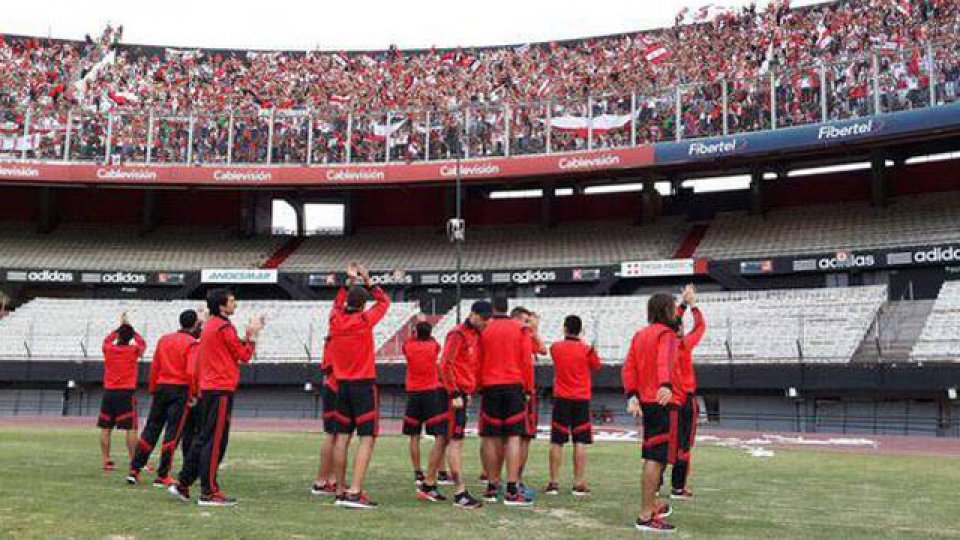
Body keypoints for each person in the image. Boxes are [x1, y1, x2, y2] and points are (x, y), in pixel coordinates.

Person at [169, 289, 263, 507]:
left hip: (209, 388)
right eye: (231, 301)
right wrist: (253, 334)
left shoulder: (210, 326)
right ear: (221, 306)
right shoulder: (223, 327)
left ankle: (184, 483)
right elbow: (245, 356)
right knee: (215, 441)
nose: (235, 304)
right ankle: (208, 491)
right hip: (220, 389)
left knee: (203, 439)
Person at [328, 263, 391, 509]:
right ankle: (355, 491)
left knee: (342, 437)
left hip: (342, 385)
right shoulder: (364, 320)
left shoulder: (335, 319)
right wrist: (368, 278)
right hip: (363, 385)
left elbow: (336, 304)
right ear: (363, 305)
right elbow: (384, 302)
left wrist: (349, 281)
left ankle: (341, 490)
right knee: (367, 438)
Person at [623, 292, 682, 533]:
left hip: (647, 400)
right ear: (666, 310)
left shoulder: (640, 334)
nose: (675, 311)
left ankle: (651, 506)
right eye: (674, 308)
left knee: (654, 456)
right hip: (662, 400)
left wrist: (631, 395)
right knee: (655, 458)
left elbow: (629, 366)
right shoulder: (665, 334)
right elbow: (663, 361)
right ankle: (646, 515)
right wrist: (666, 385)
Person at [126, 309, 201, 487]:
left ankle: (134, 470)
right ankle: (163, 474)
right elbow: (191, 372)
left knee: (150, 430)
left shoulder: (164, 339)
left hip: (161, 387)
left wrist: (153, 388)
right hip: (180, 390)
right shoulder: (192, 343)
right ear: (194, 325)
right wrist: (194, 393)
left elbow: (156, 366)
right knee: (172, 434)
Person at [477, 294, 534, 506]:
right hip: (513, 386)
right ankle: (512, 488)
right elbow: (526, 361)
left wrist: (478, 386)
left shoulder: (485, 330)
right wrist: (528, 388)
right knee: (513, 436)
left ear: (492, 309)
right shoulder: (520, 330)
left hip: (490, 385)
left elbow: (478, 360)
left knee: (491, 437)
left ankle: (492, 486)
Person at [545, 315, 602, 496]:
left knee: (557, 441)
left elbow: (555, 355)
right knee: (580, 441)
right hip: (581, 399)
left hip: (561, 398)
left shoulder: (555, 348)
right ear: (580, 330)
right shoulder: (587, 350)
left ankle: (554, 482)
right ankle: (578, 483)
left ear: (565, 328)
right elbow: (597, 366)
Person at [311, 282, 352, 498]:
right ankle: (333, 481)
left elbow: (336, 306)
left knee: (331, 435)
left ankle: (322, 480)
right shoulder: (349, 331)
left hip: (329, 383)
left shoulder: (333, 330)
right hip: (340, 385)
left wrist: (347, 284)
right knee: (340, 437)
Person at [401, 321, 449, 502]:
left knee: (414, 436)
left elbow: (407, 344)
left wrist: (414, 332)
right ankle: (438, 471)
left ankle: (417, 471)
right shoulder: (433, 346)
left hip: (413, 393)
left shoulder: (409, 346)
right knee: (439, 435)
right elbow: (436, 346)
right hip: (430, 392)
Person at [665, 285, 706, 501]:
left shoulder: (663, 345)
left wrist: (681, 306)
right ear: (680, 330)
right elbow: (700, 327)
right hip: (684, 403)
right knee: (683, 446)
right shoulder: (684, 345)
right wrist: (692, 305)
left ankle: (654, 485)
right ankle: (678, 488)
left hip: (665, 400)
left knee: (661, 444)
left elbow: (673, 326)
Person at [98, 313, 147, 472]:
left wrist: (119, 328)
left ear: (118, 336)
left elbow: (106, 341)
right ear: (130, 337)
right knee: (131, 428)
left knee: (106, 428)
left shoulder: (109, 349)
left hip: (109, 392)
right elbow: (142, 343)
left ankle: (106, 460)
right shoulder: (133, 350)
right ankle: (134, 461)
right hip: (126, 393)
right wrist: (132, 330)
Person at [511, 307, 544, 496]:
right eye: (525, 320)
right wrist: (534, 330)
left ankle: (493, 481)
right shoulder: (523, 335)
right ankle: (516, 481)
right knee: (523, 437)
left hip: (503, 386)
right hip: (522, 390)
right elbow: (542, 350)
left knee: (498, 437)